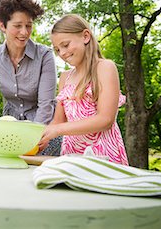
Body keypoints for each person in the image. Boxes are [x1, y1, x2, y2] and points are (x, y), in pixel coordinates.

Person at [38, 14, 128, 165]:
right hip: (71, 156)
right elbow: (58, 121)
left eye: (65, 45)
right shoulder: (65, 77)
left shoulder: (105, 68)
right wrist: (43, 137)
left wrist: (58, 130)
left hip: (103, 156)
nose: (62, 53)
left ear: (85, 36)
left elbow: (105, 119)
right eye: (57, 50)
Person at [0, 0, 60, 155]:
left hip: (43, 133)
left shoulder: (44, 55)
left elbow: (46, 104)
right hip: (10, 131)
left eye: (28, 25)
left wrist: (33, 139)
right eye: (18, 26)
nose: (24, 32)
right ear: (2, 25)